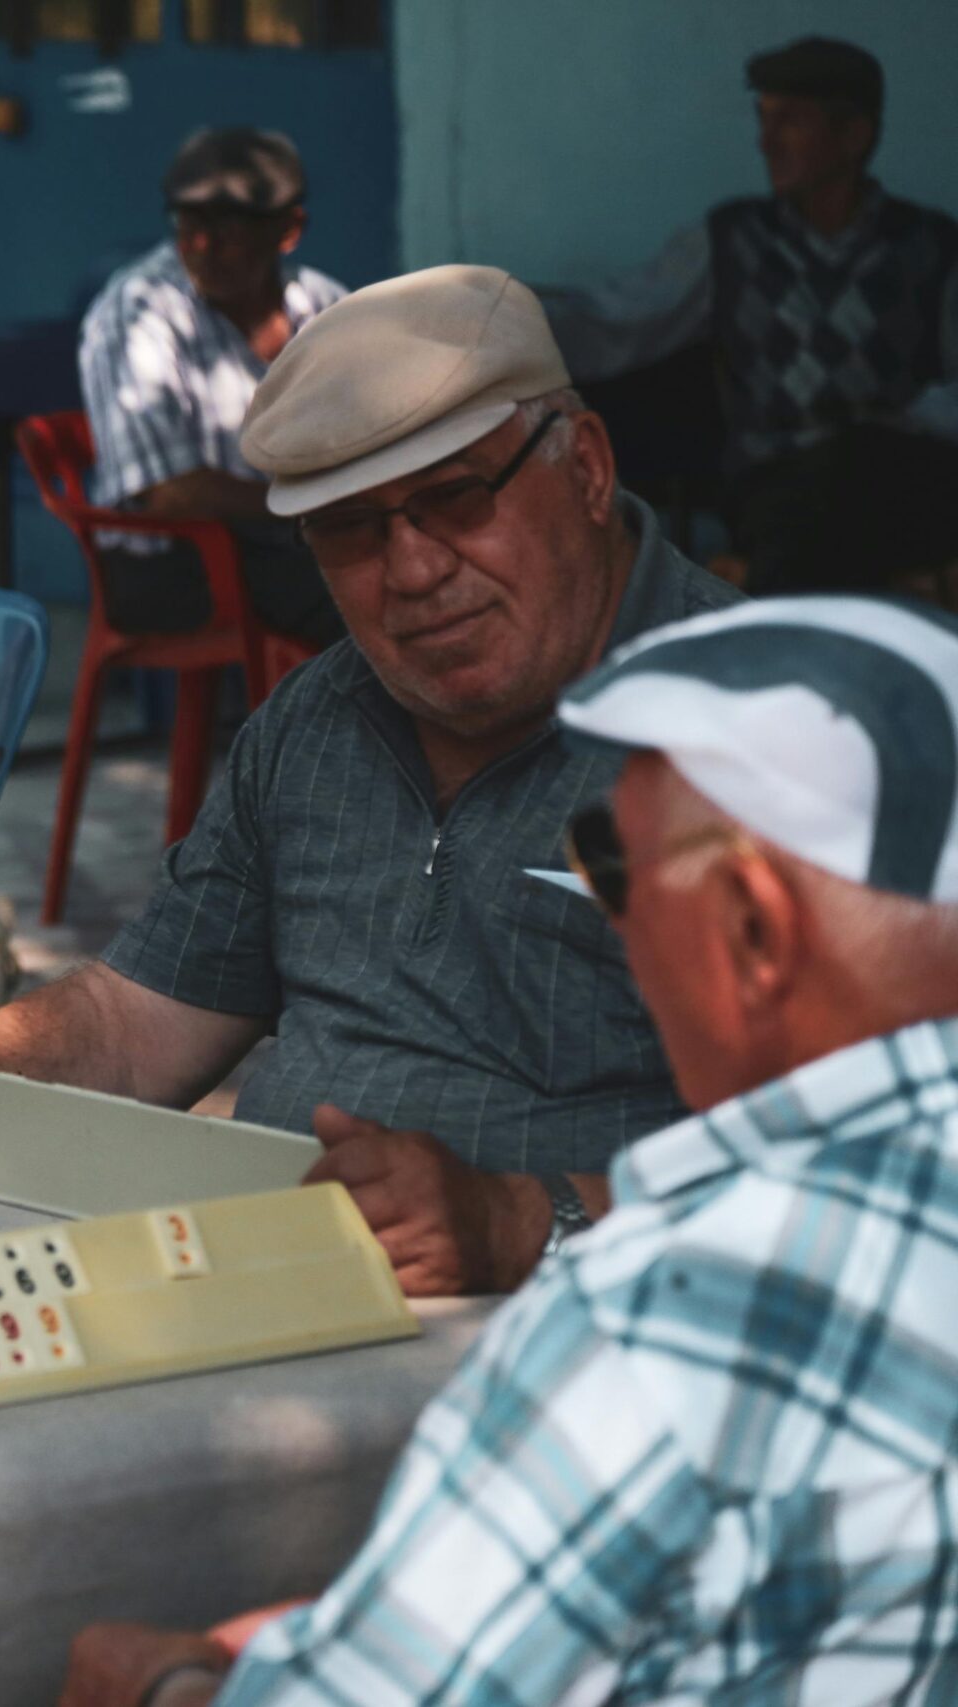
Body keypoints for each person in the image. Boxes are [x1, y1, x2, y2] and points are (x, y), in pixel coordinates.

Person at [0, 266, 743, 1297]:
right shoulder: (318, 720)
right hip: (277, 1297)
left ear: (589, 470)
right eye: (351, 530)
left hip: (604, 1338)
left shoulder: (762, 732)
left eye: (458, 500)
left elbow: (875, 1154)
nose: (413, 570)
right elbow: (131, 1028)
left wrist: (529, 1226)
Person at [59, 596, 958, 1707]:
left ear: (755, 929)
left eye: (612, 868)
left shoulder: (666, 1321)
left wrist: (169, 1691)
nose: (611, 921)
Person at [540, 37, 958, 594]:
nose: (766, 142)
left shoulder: (930, 248)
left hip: (897, 477)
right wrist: (499, 317)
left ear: (852, 135)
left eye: (789, 122)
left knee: (869, 471)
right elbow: (615, 321)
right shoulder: (732, 239)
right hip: (778, 489)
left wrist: (894, 421)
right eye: (763, 118)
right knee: (811, 515)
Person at [76, 125, 346, 646]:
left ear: (288, 231)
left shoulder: (323, 305)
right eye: (187, 223)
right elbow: (170, 495)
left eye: (228, 228)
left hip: (280, 538)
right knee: (357, 594)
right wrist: (311, 511)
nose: (200, 245)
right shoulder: (137, 311)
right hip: (168, 562)